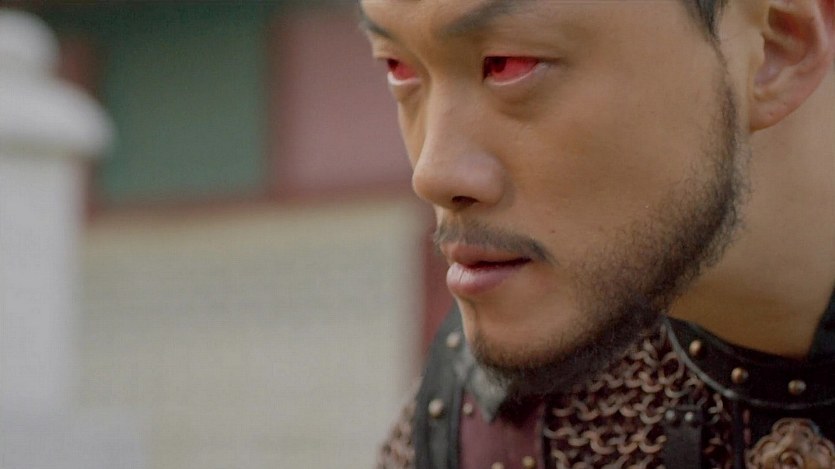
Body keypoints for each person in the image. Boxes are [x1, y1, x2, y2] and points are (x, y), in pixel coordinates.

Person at [361, 0, 835, 467]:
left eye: (506, 65)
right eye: (399, 68)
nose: (431, 175)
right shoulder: (473, 429)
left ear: (777, 47)